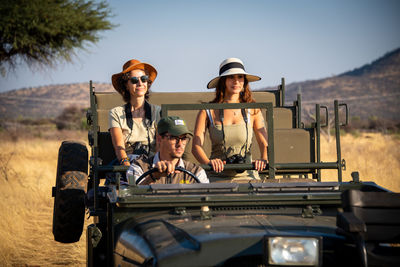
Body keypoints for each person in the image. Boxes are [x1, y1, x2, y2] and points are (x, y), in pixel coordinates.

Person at [192, 58, 268, 182]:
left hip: (248, 175)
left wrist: (264, 159)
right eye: (231, 77)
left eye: (240, 77)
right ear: (223, 81)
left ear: (245, 81)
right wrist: (209, 163)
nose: (236, 81)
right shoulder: (207, 111)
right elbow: (196, 146)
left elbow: (264, 142)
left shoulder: (253, 110)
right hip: (216, 176)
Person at [127, 116, 209, 185]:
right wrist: (153, 177)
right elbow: (131, 196)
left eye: (183, 138)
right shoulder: (139, 167)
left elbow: (205, 201)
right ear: (159, 139)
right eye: (174, 138)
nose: (180, 144)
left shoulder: (196, 172)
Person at [109, 59, 161, 166]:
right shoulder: (116, 113)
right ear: (126, 85)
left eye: (144, 79)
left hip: (152, 163)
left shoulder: (158, 111)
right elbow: (119, 147)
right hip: (127, 163)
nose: (140, 83)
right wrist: (128, 168)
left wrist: (155, 168)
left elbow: (160, 145)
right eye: (134, 80)